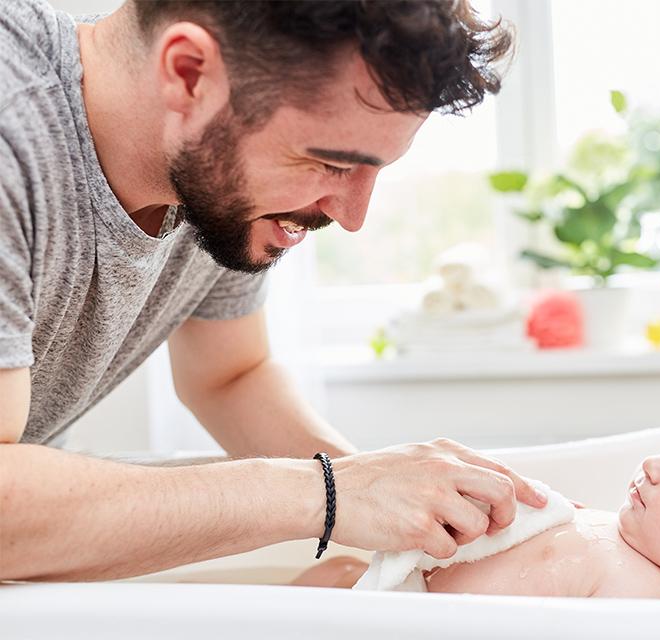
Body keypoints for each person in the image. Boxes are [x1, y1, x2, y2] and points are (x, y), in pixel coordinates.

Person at [0, 0, 551, 583]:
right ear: (188, 73)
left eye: (375, 170)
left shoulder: (210, 177)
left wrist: (403, 504)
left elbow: (229, 377)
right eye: (329, 162)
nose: (352, 214)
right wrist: (328, 493)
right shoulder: (15, 129)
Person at [292, 400, 660, 597]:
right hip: (399, 589)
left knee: (314, 594)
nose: (652, 466)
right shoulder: (633, 539)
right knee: (334, 570)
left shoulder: (647, 605)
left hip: (403, 618)